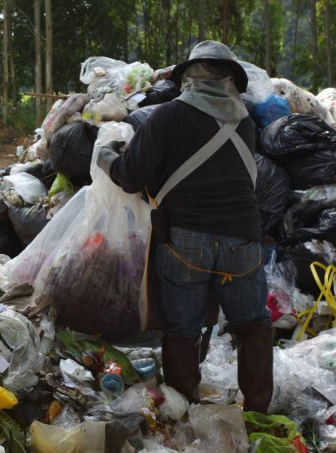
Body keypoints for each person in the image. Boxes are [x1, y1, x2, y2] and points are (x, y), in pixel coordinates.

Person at [97, 40, 273, 413]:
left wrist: (107, 154)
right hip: (243, 239)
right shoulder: (245, 125)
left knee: (182, 330)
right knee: (253, 324)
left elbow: (131, 177)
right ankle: (258, 411)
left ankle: (183, 413)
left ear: (189, 78)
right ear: (229, 80)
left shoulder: (166, 117)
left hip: (184, 243)